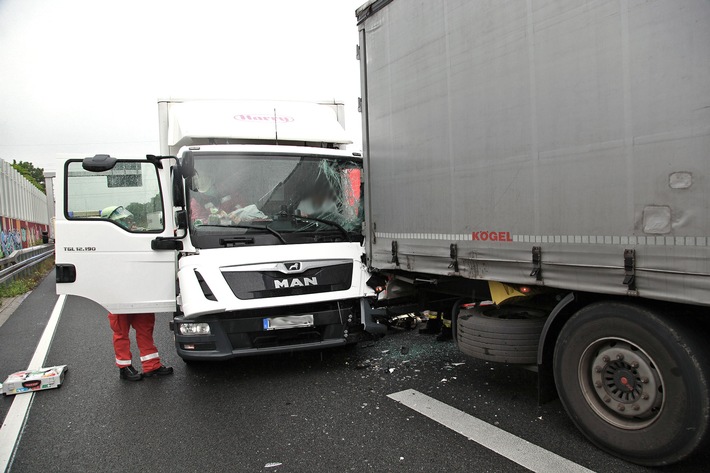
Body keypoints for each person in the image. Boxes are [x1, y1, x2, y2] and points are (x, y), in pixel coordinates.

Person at [108, 312, 173, 381]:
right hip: (120, 304)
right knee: (121, 332)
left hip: (139, 302)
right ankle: (124, 368)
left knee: (145, 330)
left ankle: (151, 365)